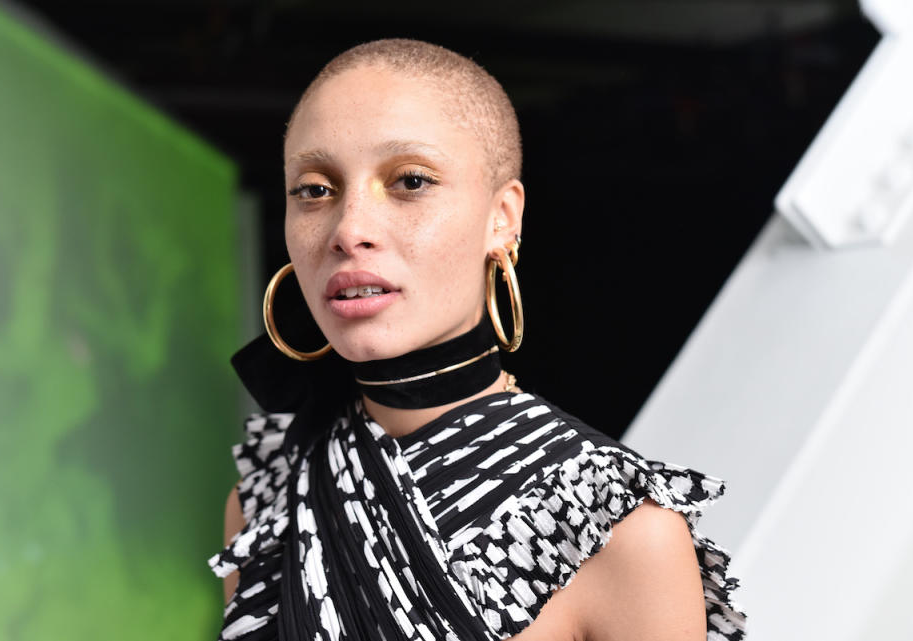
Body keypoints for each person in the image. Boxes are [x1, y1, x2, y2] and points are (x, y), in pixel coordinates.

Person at [208, 38, 746, 641]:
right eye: (313, 190)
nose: (349, 229)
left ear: (503, 218)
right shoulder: (267, 498)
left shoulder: (617, 531)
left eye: (410, 180)